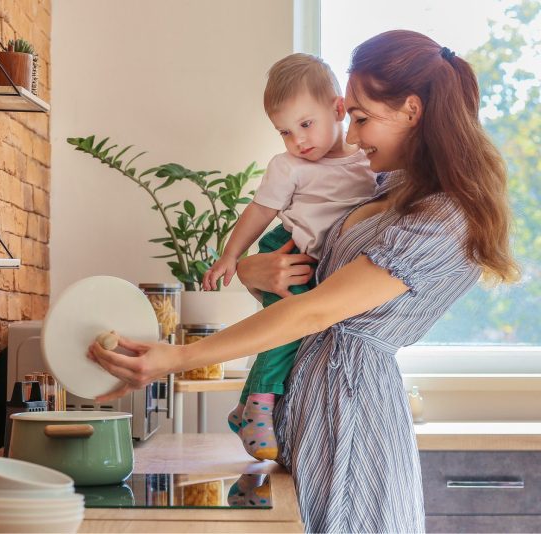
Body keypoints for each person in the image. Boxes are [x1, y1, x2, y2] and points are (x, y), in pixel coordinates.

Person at [89, 29, 518, 532]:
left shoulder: (443, 218)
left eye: (361, 118)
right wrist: (251, 270)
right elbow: (302, 271)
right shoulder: (381, 188)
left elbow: (316, 309)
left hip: (351, 423)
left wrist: (176, 359)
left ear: (411, 110)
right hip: (307, 413)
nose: (352, 136)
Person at [201, 53, 376, 461]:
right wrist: (231, 256)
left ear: (337, 109)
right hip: (288, 246)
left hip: (321, 258)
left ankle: (244, 409)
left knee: (296, 327)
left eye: (305, 124)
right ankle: (261, 404)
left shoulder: (367, 160)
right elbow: (259, 211)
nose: (298, 140)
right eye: (284, 131)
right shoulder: (290, 166)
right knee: (287, 327)